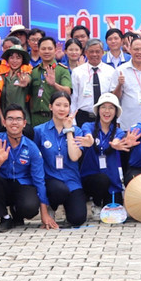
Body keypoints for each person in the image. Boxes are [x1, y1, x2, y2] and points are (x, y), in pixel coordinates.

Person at [0, 105, 57, 230]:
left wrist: (44, 214)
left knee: (30, 208)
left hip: (22, 185)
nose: (14, 122)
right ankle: (5, 217)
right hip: (1, 186)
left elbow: (39, 180)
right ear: (4, 122)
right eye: (10, 119)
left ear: (24, 123)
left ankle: (17, 211)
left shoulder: (32, 148)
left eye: (18, 119)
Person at [33, 92, 89, 227]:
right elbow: (36, 162)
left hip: (72, 181)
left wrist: (69, 130)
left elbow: (74, 156)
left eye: (65, 105)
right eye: (58, 105)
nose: (62, 109)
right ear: (50, 106)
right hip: (51, 180)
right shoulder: (39, 131)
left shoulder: (77, 131)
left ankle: (67, 208)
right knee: (59, 190)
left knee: (78, 219)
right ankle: (51, 206)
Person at [78, 94, 129, 210]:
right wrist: (89, 139)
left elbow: (117, 139)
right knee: (102, 180)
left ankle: (104, 201)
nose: (107, 111)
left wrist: (115, 143)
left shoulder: (119, 131)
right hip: (91, 178)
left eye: (111, 108)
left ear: (115, 112)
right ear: (98, 110)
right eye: (103, 107)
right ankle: (95, 203)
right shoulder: (88, 126)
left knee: (115, 211)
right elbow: (87, 133)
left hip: (111, 181)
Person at [109, 38, 141, 128]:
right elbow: (114, 98)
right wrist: (119, 85)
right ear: (130, 50)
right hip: (129, 122)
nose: (139, 52)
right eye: (136, 49)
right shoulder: (120, 70)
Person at [30, 37, 70, 128]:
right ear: (39, 51)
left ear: (55, 50)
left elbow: (68, 92)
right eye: (43, 49)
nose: (46, 51)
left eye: (50, 48)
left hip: (55, 118)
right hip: (36, 119)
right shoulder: (34, 71)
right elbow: (31, 97)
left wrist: (54, 84)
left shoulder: (62, 70)